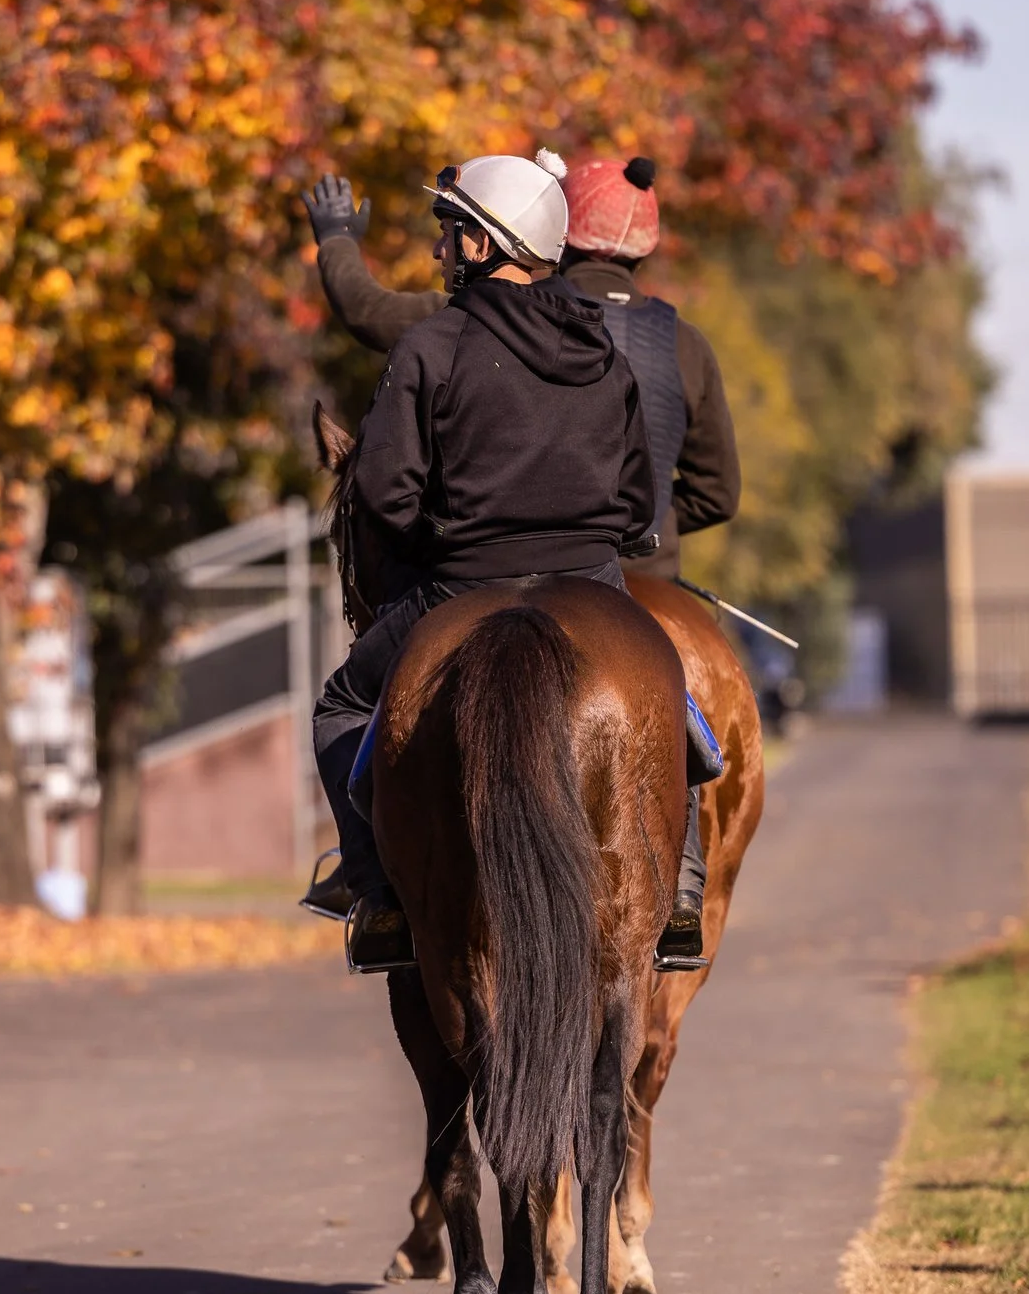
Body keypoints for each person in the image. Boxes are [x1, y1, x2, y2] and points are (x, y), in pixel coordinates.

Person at [304, 155, 737, 962]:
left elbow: (387, 496)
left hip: (463, 583)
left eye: (448, 233)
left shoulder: (433, 346)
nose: (440, 251)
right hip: (595, 578)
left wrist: (442, 531)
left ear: (481, 243)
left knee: (339, 706)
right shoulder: (601, 350)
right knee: (669, 702)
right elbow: (642, 506)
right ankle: (680, 877)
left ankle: (377, 892)